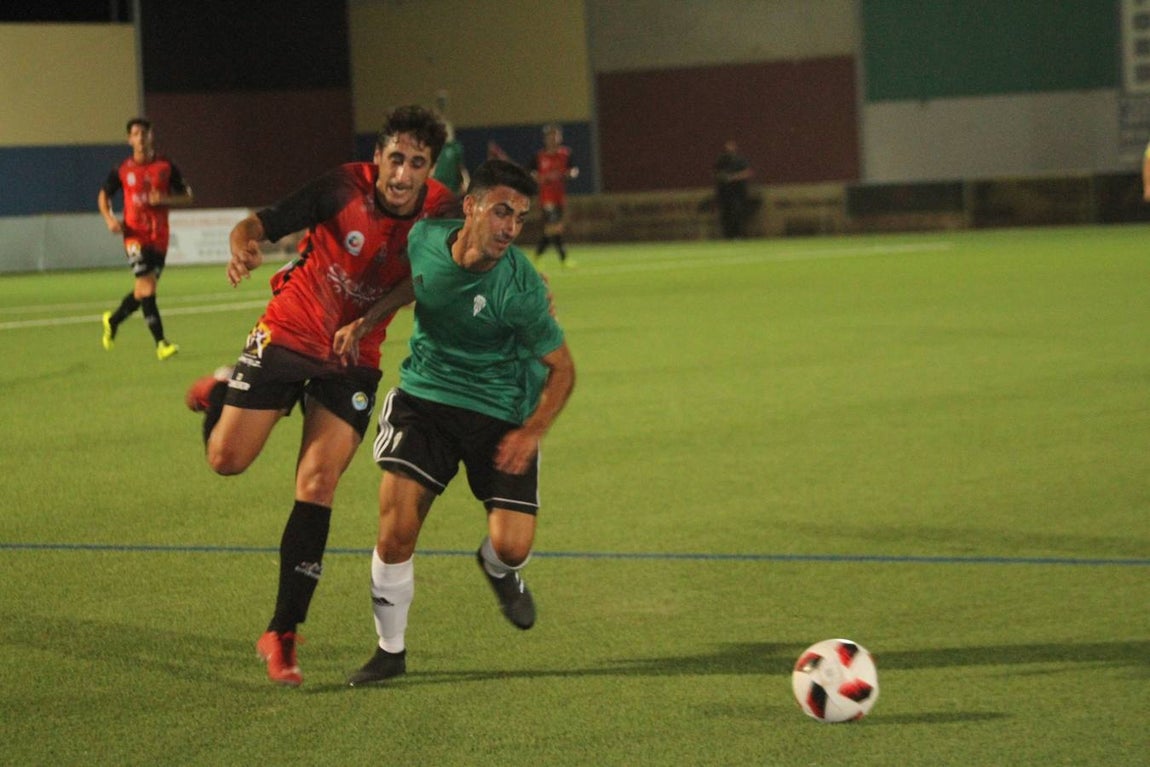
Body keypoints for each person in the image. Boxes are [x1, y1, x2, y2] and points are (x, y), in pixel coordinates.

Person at [188, 105, 457, 687]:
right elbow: (263, 221)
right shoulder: (341, 186)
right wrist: (242, 244)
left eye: (417, 162)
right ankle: (219, 393)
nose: (403, 173)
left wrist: (369, 321)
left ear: (430, 168)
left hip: (352, 359)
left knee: (318, 483)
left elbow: (449, 265)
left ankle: (282, 632)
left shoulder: (441, 211)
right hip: (289, 332)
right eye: (395, 158)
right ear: (378, 156)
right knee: (226, 460)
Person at [337, 159, 576, 686]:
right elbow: (417, 284)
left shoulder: (522, 289)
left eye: (519, 217)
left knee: (513, 545)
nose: (511, 228)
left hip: (502, 416)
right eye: (501, 212)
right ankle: (389, 650)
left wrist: (531, 430)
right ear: (470, 207)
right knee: (395, 527)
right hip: (427, 399)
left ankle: (498, 568)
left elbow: (563, 370)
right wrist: (368, 319)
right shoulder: (425, 238)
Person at [99, 117, 193, 359]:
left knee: (142, 291)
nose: (140, 138)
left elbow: (187, 196)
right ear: (129, 139)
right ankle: (161, 343)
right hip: (134, 236)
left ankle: (113, 319)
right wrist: (110, 220)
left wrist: (164, 200)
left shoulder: (166, 166)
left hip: (159, 237)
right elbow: (104, 194)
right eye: (135, 134)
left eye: (144, 133)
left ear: (151, 136)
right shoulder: (123, 170)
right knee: (148, 286)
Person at [531, 124, 579, 267]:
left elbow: (574, 169)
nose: (553, 138)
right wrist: (538, 177)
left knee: (551, 229)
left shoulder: (565, 154)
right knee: (555, 226)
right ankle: (564, 258)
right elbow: (530, 171)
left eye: (555, 135)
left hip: (560, 197)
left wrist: (571, 174)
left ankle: (537, 255)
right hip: (547, 198)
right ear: (545, 139)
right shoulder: (540, 156)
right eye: (550, 135)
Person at [713, 139, 753, 239]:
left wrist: (733, 177)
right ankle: (727, 235)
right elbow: (716, 173)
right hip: (725, 192)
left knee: (737, 212)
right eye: (728, 146)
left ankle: (739, 234)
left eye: (731, 146)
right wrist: (723, 177)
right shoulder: (721, 160)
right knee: (725, 214)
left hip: (738, 192)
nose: (730, 148)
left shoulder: (740, 160)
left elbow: (747, 172)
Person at [431, 121, 470, 195]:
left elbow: (461, 167)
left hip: (452, 189)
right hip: (437, 187)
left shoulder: (456, 148)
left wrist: (466, 181)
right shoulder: (434, 147)